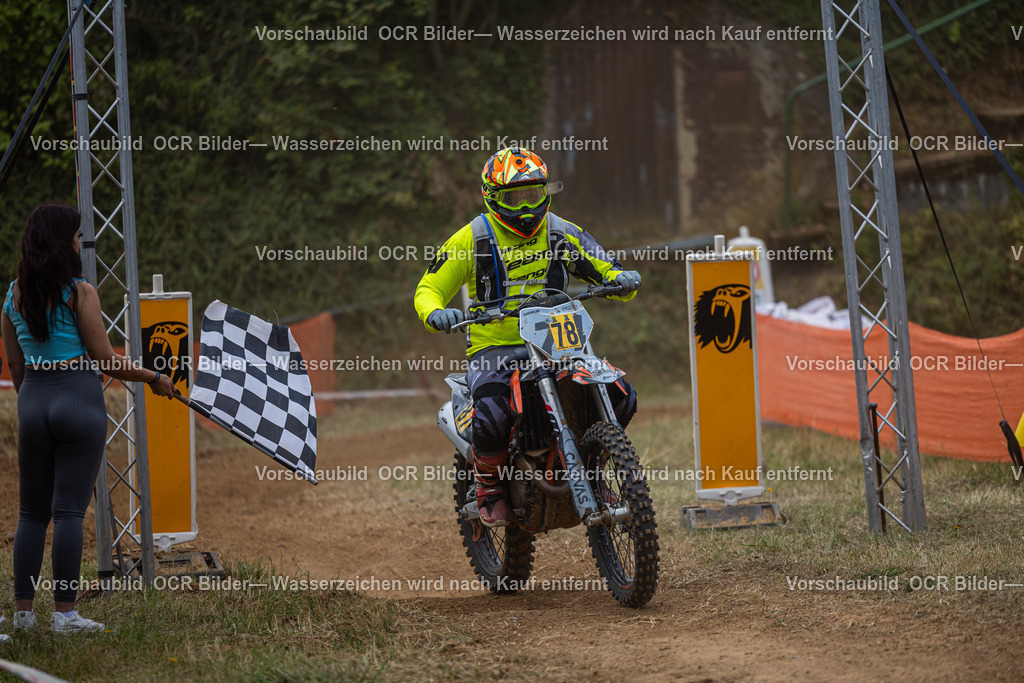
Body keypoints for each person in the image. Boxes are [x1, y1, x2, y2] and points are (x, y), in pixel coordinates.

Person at [414, 147, 641, 527]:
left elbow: (604, 265)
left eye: (532, 195)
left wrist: (620, 279)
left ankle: (594, 470)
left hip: (559, 340)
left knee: (621, 395)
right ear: (492, 197)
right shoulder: (473, 238)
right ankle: (488, 487)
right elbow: (429, 288)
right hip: (496, 346)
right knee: (492, 413)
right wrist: (436, 313)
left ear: (546, 192)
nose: (524, 208)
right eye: (513, 198)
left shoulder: (560, 231)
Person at [1, 203, 176, 634]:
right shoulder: (80, 292)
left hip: (33, 401)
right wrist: (154, 378)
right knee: (67, 513)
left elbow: (16, 365)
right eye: (78, 236)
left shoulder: (13, 294)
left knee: (30, 514)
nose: (80, 242)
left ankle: (23, 614)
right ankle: (64, 614)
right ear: (63, 241)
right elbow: (106, 359)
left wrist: (35, 404)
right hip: (78, 398)